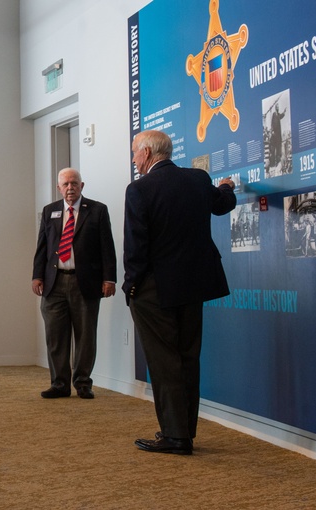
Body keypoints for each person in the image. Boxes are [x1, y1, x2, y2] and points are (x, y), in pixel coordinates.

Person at [123, 129, 235, 455]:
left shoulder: (139, 189)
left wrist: (131, 285)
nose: (133, 158)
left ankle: (175, 436)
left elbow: (136, 246)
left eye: (134, 152)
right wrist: (226, 186)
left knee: (163, 362)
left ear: (146, 152)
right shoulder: (198, 179)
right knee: (188, 357)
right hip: (194, 285)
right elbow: (223, 203)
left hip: (154, 290)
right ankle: (185, 431)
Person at [31, 168, 116, 400]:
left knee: (85, 336)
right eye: (66, 184)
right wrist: (37, 275)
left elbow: (107, 247)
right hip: (53, 283)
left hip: (85, 283)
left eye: (74, 183)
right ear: (59, 188)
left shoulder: (97, 210)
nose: (70, 188)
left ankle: (83, 383)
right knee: (56, 336)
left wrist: (109, 278)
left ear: (82, 185)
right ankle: (59, 384)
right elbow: (42, 247)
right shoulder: (50, 211)